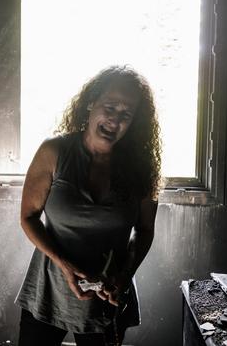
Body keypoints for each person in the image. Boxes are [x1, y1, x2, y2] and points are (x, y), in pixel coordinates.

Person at [15, 65, 162, 346]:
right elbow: (28, 216)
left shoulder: (142, 169)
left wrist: (124, 275)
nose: (114, 119)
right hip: (48, 290)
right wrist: (64, 264)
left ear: (135, 122)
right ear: (91, 103)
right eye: (109, 106)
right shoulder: (54, 152)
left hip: (107, 296)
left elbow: (144, 229)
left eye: (125, 113)